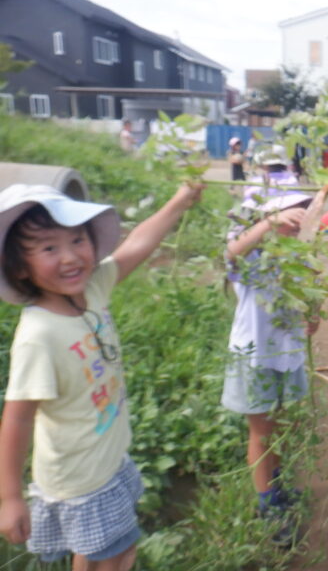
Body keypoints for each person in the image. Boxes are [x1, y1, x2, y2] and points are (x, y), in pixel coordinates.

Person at [0, 181, 202, 568]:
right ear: (20, 267)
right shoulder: (38, 336)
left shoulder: (91, 289)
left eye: (78, 240)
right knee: (115, 555)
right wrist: (9, 497)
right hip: (82, 479)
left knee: (103, 554)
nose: (70, 257)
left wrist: (178, 202)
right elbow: (18, 418)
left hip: (108, 460)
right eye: (49, 248)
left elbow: (136, 246)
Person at [221, 186, 319, 537]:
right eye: (290, 215)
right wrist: (268, 223)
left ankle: (276, 489)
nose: (297, 222)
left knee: (278, 426)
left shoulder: (297, 255)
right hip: (255, 356)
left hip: (285, 355)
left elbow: (308, 293)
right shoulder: (253, 257)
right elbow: (230, 254)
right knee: (262, 433)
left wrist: (313, 315)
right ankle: (268, 508)